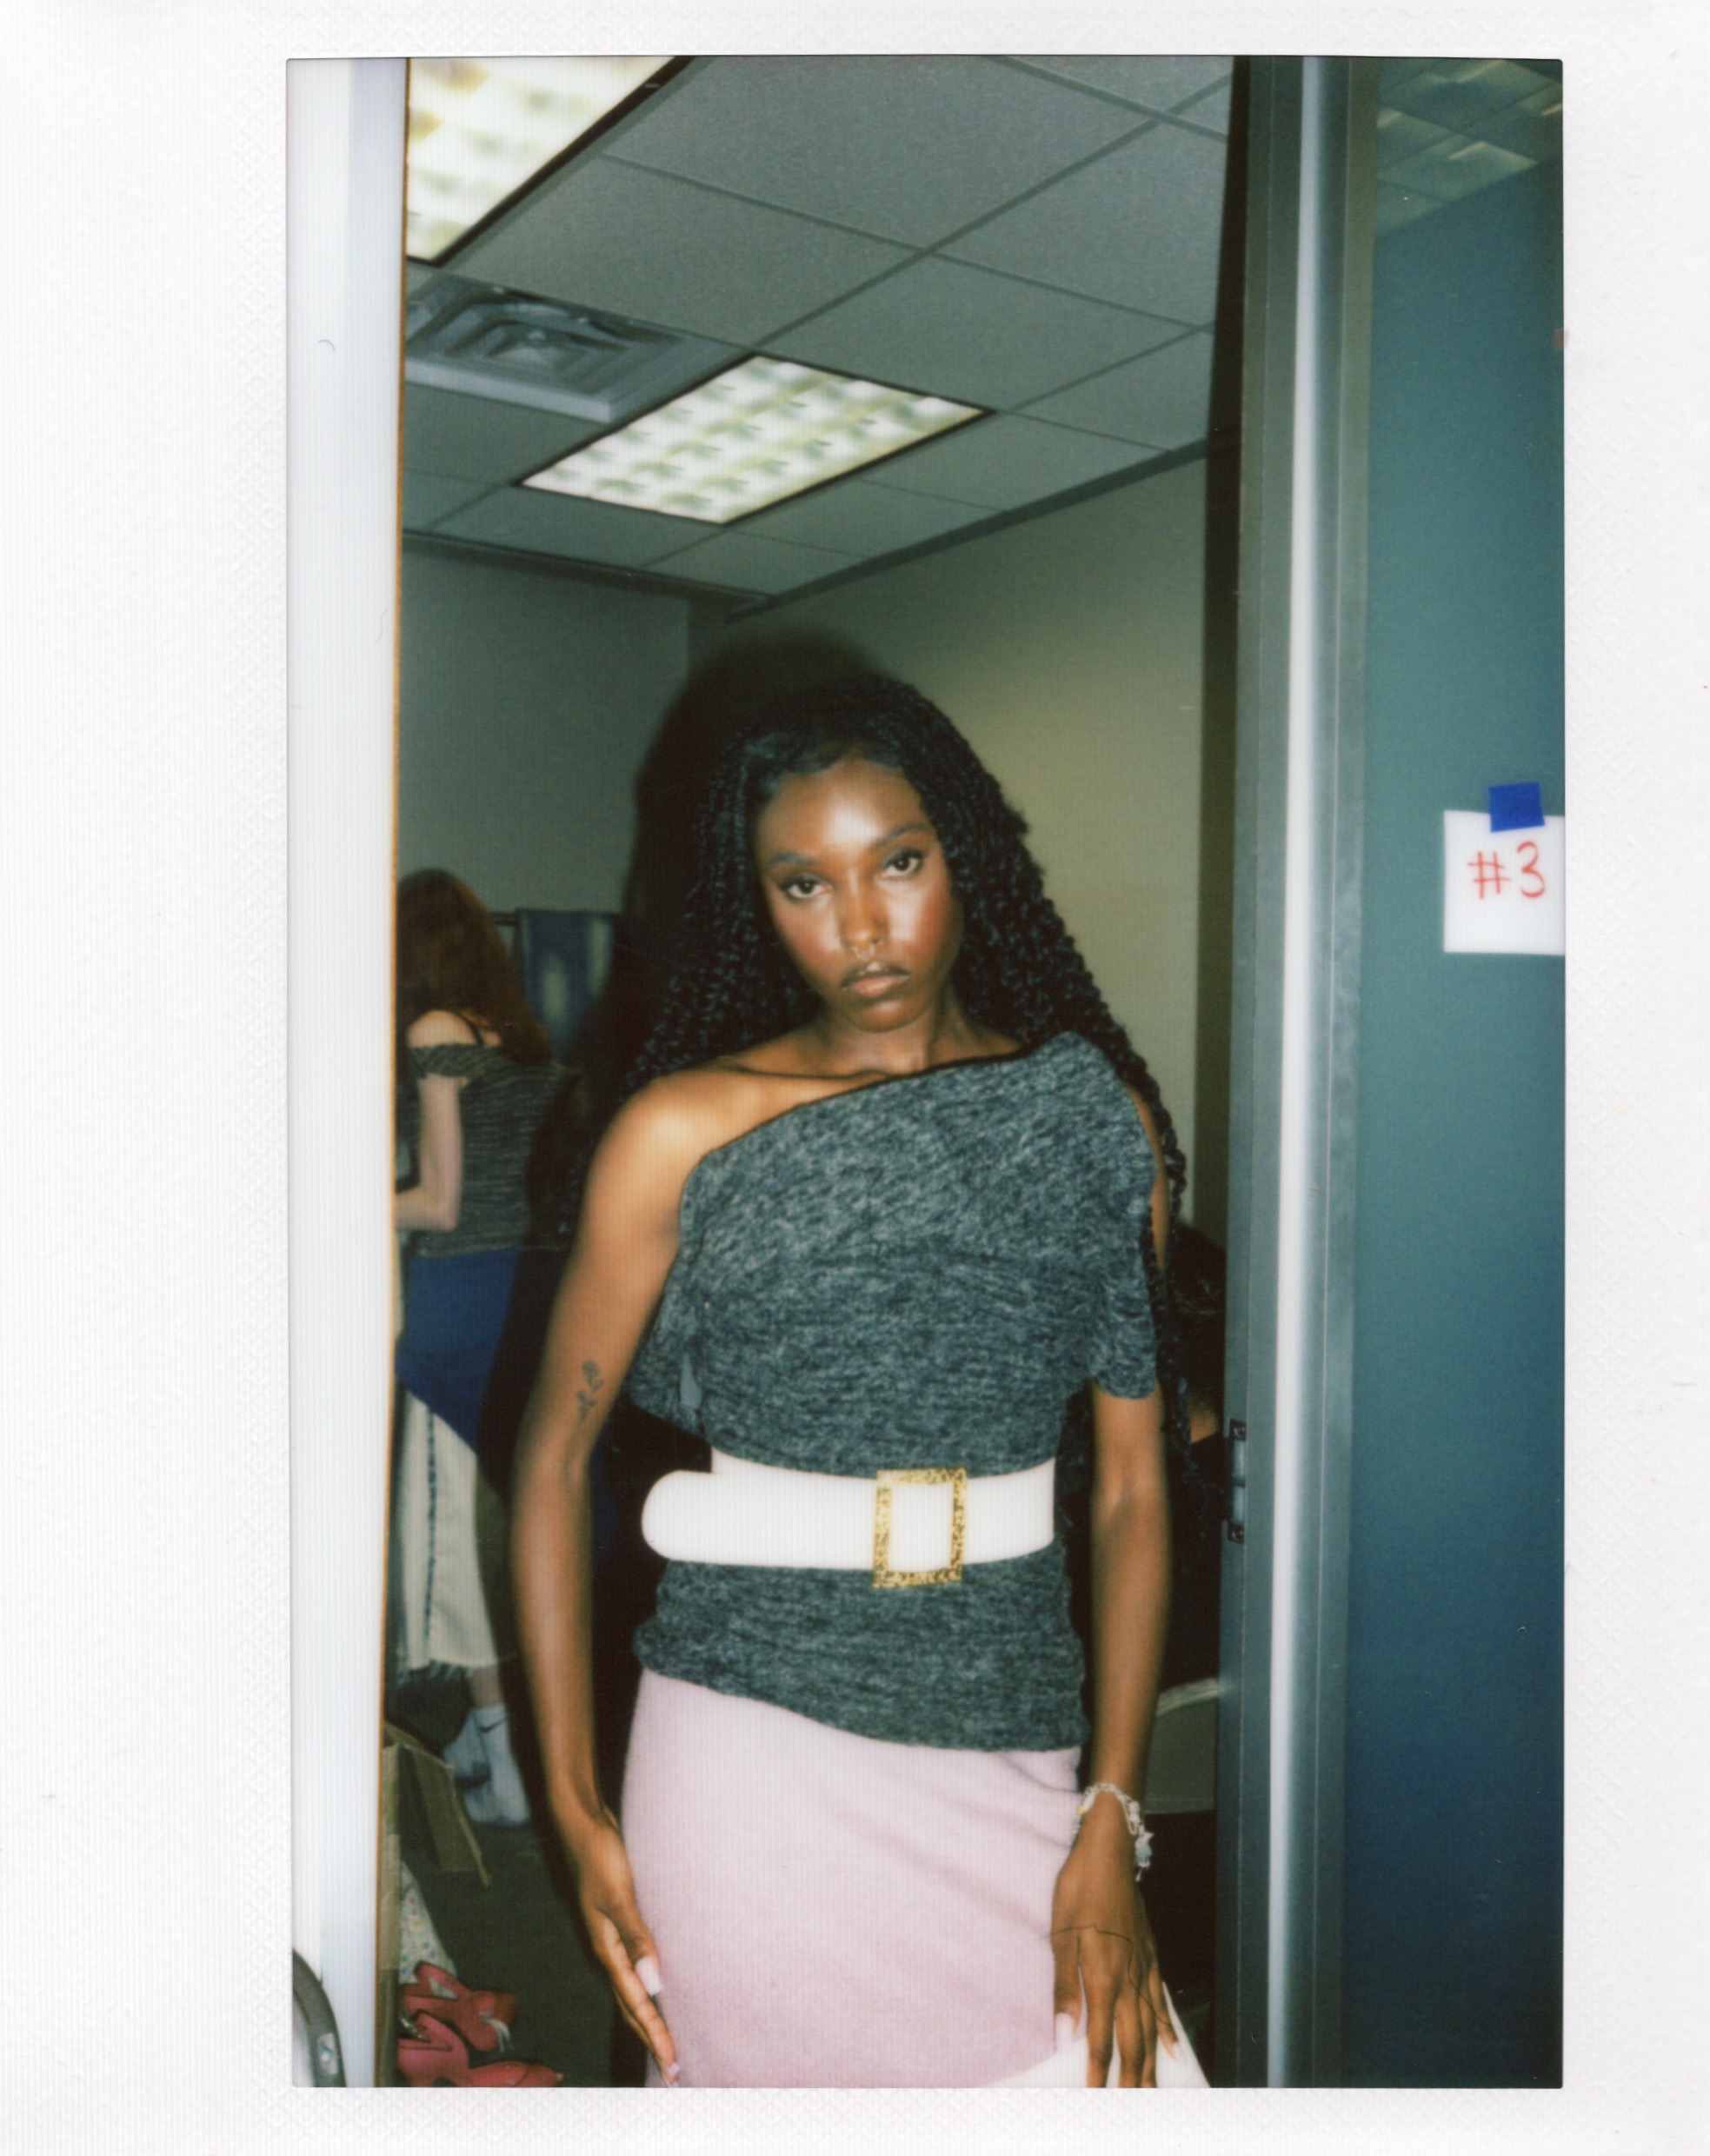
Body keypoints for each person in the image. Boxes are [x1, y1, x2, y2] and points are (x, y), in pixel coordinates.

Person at [510, 675, 1207, 2087]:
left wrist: (1113, 1814)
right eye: (802, 883)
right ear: (753, 903)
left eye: (897, 862)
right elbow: (546, 1468)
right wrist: (576, 1805)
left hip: (1012, 1725)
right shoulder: (683, 1134)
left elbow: (1134, 1487)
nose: (862, 926)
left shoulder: (1086, 1118)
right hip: (749, 1745)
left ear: (966, 855)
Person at [393, 868, 573, 1826]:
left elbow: (440, 1201)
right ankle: (482, 1742)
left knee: (447, 1531)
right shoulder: (517, 1041)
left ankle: (503, 1772)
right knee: (491, 1519)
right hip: (526, 1287)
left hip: (458, 1286)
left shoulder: (432, 1035)